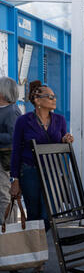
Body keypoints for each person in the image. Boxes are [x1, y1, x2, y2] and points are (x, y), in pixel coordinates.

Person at [9, 80, 74, 273]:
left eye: (54, 97)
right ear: (37, 100)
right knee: (34, 215)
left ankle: (29, 251)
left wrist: (66, 140)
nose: (54, 100)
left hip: (53, 172)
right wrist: (15, 179)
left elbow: (61, 144)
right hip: (29, 172)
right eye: (50, 96)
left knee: (47, 216)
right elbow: (16, 151)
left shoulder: (60, 120)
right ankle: (37, 260)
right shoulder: (24, 121)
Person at [0, 77, 21, 225]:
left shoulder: (12, 111)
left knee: (4, 195)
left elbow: (15, 137)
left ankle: (7, 233)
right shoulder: (5, 110)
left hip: (5, 160)